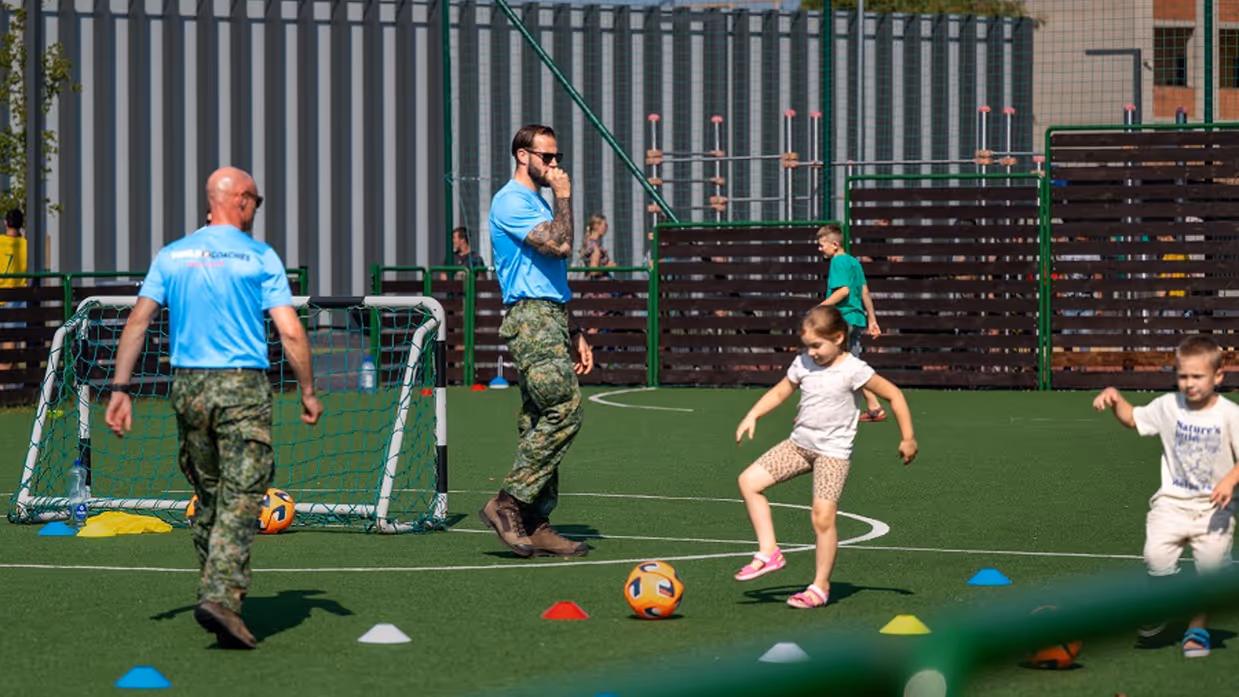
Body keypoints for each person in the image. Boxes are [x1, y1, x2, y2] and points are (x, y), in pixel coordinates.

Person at [104, 167, 324, 649]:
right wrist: (308, 390)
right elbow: (289, 330)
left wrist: (120, 388)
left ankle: (218, 593)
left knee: (208, 495)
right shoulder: (259, 257)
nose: (255, 210)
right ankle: (221, 596)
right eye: (257, 201)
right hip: (240, 387)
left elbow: (138, 321)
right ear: (242, 200)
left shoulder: (173, 254)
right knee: (244, 494)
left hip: (186, 387)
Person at [733, 306, 917, 608]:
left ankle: (819, 586)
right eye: (808, 346)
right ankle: (769, 552)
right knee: (749, 481)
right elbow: (780, 392)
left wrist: (908, 437)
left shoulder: (853, 369)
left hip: (832, 455)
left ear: (839, 337)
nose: (812, 352)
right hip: (798, 446)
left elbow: (894, 394)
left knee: (822, 516)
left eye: (817, 345)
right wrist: (753, 414)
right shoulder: (802, 363)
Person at [481, 124, 595, 559]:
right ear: (522, 156)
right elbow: (561, 246)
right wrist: (565, 196)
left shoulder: (537, 201)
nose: (554, 164)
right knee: (565, 409)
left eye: (557, 156)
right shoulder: (510, 200)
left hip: (550, 314)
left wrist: (576, 329)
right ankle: (507, 503)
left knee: (537, 419)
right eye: (546, 157)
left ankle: (535, 521)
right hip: (530, 317)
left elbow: (552, 277)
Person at [1092, 335, 1239, 658]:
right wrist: (1117, 400)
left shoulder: (1230, 415)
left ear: (1218, 376)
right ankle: (1163, 603)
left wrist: (1230, 479)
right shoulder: (1168, 405)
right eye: (1183, 375)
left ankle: (1197, 628)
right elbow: (1134, 420)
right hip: (1171, 503)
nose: (1189, 383)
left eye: (1197, 376)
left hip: (1214, 510)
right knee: (1156, 558)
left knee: (1211, 572)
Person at [815, 225, 885, 421]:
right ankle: (874, 406)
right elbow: (864, 292)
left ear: (835, 245)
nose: (820, 249)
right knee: (851, 366)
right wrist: (872, 319)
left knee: (827, 362)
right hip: (857, 319)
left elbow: (843, 291)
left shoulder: (837, 262)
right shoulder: (854, 263)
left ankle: (822, 413)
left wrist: (819, 308)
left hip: (843, 318)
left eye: (822, 245)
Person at [0, 208, 28, 376]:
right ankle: (10, 384)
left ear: (5, 222)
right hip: (16, 299)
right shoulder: (25, 244)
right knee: (11, 342)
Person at [578, 213, 616, 279]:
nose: (607, 228)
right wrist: (608, 267)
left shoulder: (589, 243)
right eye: (605, 225)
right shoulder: (595, 247)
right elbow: (593, 271)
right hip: (600, 286)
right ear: (596, 226)